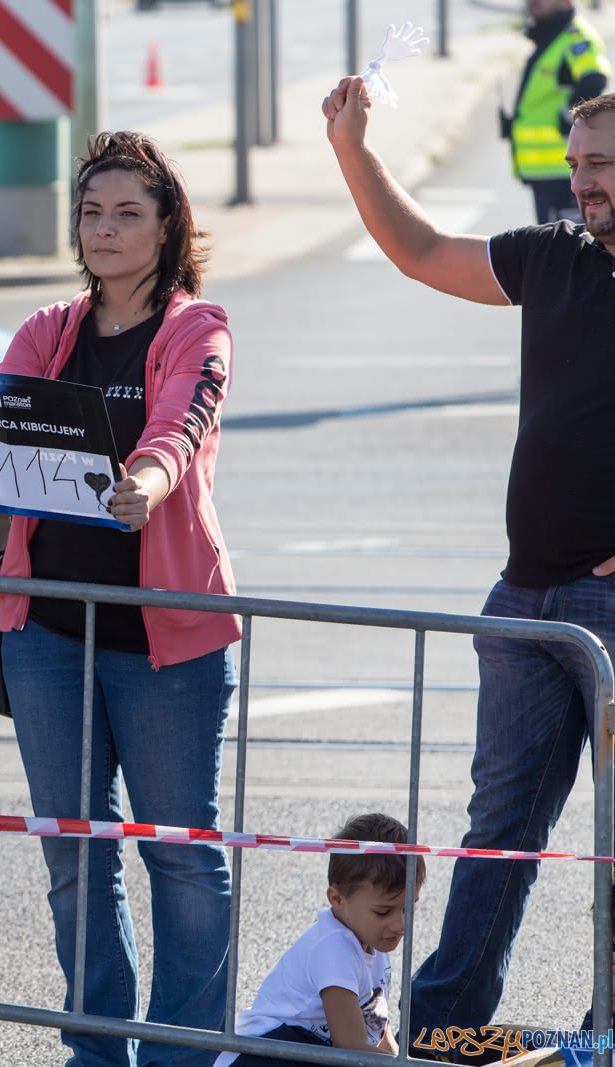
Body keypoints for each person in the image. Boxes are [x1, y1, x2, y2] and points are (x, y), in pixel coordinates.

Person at [0, 130, 240, 1067]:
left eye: (128, 212)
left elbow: (184, 420)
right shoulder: (46, 331)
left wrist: (152, 475)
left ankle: (182, 1052)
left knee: (179, 851)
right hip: (44, 631)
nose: (104, 228)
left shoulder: (196, 327)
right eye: (91, 212)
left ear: (167, 224)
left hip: (166, 637)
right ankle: (96, 1050)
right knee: (75, 856)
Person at [323, 75, 615, 1050]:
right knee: (497, 829)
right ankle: (440, 1028)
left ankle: (605, 1029)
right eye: (577, 166)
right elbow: (416, 252)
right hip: (525, 599)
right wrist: (352, 149)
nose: (584, 184)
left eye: (603, 164)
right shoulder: (551, 256)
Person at [214, 814, 426, 1067]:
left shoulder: (374, 939)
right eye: (383, 912)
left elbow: (378, 1032)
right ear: (337, 899)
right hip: (262, 1053)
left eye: (408, 909)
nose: (400, 925)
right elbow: (353, 1048)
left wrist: (401, 1060)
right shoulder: (335, 947)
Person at [501, 0, 610, 224]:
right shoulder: (552, 34)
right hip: (546, 171)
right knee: (554, 250)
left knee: (566, 252)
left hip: (565, 171)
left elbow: (593, 78)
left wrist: (568, 120)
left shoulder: (575, 36)